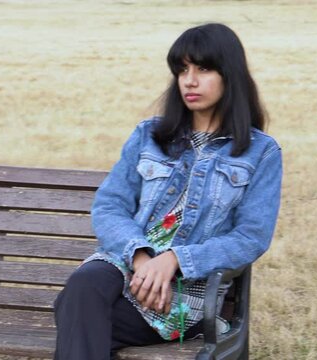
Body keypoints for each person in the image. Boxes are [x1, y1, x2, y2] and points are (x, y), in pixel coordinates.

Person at [53, 22, 282, 359]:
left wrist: (175, 260)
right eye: (182, 69)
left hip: (184, 294)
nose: (189, 80)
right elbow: (110, 206)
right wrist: (142, 258)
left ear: (229, 75)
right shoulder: (149, 135)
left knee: (79, 314)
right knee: (85, 286)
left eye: (203, 69)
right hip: (123, 267)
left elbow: (251, 237)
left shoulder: (260, 153)